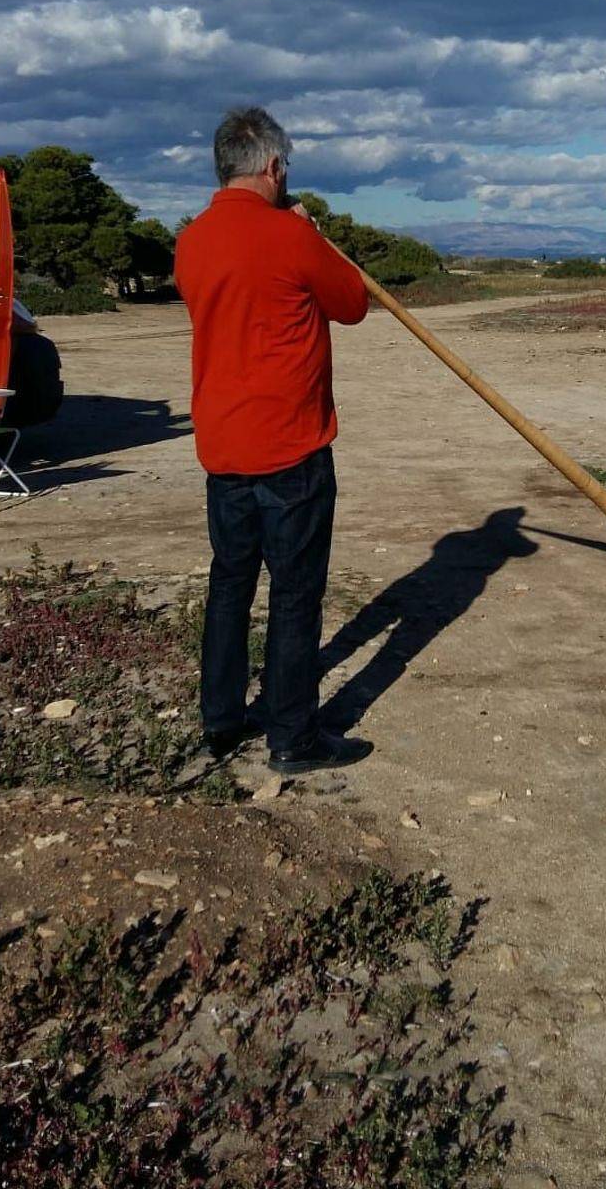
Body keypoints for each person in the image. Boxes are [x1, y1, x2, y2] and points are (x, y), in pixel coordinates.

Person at [175, 107, 372, 776]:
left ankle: (221, 723)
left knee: (229, 585)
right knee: (294, 594)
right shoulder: (289, 234)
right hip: (291, 449)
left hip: (223, 448)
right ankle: (294, 738)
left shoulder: (192, 240)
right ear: (272, 166)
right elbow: (352, 302)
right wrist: (311, 236)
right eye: (284, 167)